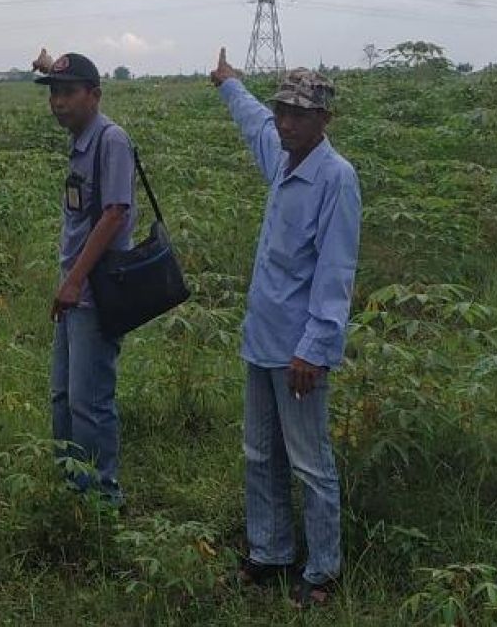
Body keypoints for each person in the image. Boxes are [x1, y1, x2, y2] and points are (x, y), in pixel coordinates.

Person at [209, 48, 361, 608]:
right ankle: (269, 554)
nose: (286, 122)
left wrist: (314, 349)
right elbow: (254, 124)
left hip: (299, 351)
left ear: (324, 119)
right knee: (259, 453)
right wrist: (230, 84)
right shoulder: (281, 155)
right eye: (282, 111)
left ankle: (322, 571)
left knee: (309, 461)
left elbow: (335, 272)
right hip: (261, 340)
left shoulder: (336, 179)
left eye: (299, 114)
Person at [33, 49, 137, 505]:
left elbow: (115, 214)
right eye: (54, 93)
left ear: (94, 95)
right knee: (63, 397)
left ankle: (102, 498)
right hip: (75, 292)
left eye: (69, 93)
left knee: (89, 402)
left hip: (94, 293)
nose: (59, 102)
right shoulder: (82, 139)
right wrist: (51, 65)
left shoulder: (110, 140)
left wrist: (74, 280)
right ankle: (71, 489)